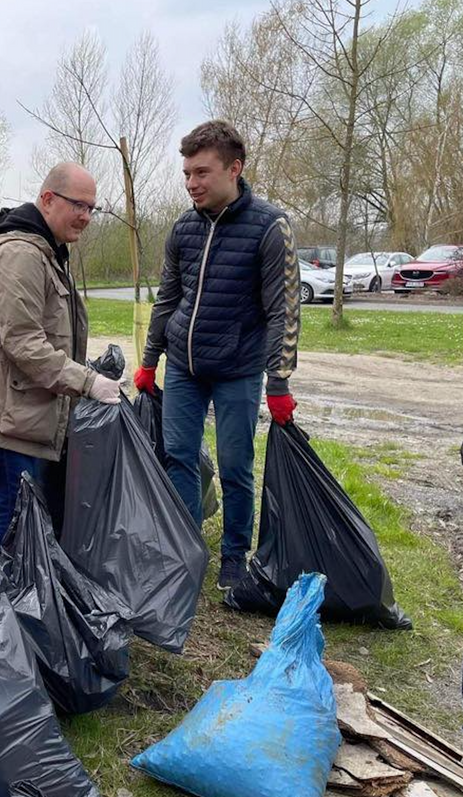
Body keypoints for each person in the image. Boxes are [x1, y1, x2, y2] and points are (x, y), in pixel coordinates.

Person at [133, 120, 300, 590]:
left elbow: (283, 311)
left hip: (237, 370)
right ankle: (187, 548)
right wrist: (150, 360)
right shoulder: (183, 228)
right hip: (185, 366)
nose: (192, 183)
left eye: (202, 173)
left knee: (234, 466)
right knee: (179, 458)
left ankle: (232, 555)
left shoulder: (270, 227)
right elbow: (167, 299)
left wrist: (279, 383)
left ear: (234, 169)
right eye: (186, 174)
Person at [0, 162, 121, 553]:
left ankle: (14, 595)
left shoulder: (49, 251)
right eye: (80, 205)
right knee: (12, 512)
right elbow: (24, 342)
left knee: (26, 512)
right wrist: (86, 381)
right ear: (47, 199)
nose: (87, 217)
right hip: (12, 415)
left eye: (93, 208)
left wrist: (85, 369)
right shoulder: (21, 256)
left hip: (29, 410)